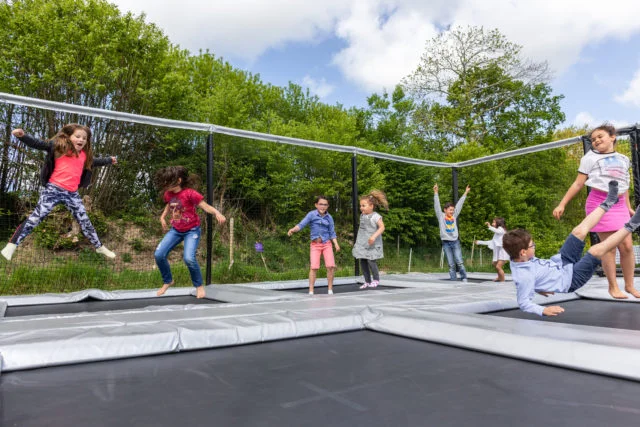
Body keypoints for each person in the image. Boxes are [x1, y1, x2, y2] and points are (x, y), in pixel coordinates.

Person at [504, 181, 640, 316]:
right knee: (596, 250)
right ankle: (632, 224)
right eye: (532, 246)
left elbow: (527, 281)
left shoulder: (516, 258)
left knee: (578, 231)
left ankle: (609, 201)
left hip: (561, 261)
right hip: (571, 279)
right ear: (522, 252)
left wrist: (536, 287)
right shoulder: (523, 277)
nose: (534, 247)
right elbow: (523, 302)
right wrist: (543, 310)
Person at [1, 125, 117, 261]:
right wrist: (22, 136)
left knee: (85, 222)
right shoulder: (59, 148)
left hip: (72, 194)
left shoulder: (85, 156)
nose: (81, 140)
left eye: (84, 138)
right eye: (78, 136)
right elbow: (39, 144)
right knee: (36, 218)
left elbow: (96, 162)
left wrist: (109, 160)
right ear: (69, 136)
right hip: (53, 190)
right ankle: (12, 245)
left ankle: (99, 247)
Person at [553, 124, 640, 299]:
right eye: (593, 139)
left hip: (619, 203)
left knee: (627, 246)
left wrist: (628, 206)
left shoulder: (623, 158)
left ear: (612, 137)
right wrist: (562, 204)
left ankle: (630, 285)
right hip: (600, 203)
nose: (596, 141)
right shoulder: (589, 158)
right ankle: (613, 287)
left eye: (600, 136)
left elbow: (624, 184)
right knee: (608, 248)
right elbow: (578, 184)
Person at [154, 166, 226, 299]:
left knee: (188, 258)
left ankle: (199, 286)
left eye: (168, 182)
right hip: (175, 230)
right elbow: (169, 205)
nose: (165, 185)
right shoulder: (168, 194)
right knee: (159, 254)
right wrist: (162, 217)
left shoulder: (190, 194)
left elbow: (205, 206)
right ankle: (168, 281)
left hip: (192, 230)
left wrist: (217, 213)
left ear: (178, 180)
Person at [288, 196, 340, 295]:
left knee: (330, 266)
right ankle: (311, 291)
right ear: (316, 205)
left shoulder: (329, 217)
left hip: (327, 244)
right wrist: (293, 229)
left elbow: (332, 232)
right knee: (314, 267)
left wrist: (336, 244)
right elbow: (301, 224)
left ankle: (330, 290)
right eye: (321, 204)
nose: (323, 206)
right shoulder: (311, 215)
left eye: (325, 205)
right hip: (315, 245)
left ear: (328, 206)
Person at [434, 183, 470, 282]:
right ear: (445, 210)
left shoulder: (454, 216)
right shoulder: (441, 216)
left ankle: (464, 277)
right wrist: (436, 193)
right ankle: (453, 279)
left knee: (459, 261)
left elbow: (460, 204)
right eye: (450, 210)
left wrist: (465, 193)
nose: (452, 211)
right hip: (446, 242)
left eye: (453, 210)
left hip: (455, 241)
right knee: (451, 264)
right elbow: (436, 206)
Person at [352, 190, 388, 289]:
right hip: (363, 242)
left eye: (363, 205)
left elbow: (382, 227)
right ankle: (367, 281)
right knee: (362, 261)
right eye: (360, 206)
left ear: (371, 206)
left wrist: (373, 236)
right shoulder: (362, 215)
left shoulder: (376, 216)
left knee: (371, 261)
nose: (361, 208)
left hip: (372, 243)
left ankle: (376, 279)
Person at [475, 217, 509, 282]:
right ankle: (499, 277)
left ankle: (503, 281)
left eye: (494, 222)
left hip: (503, 252)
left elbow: (497, 231)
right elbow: (491, 242)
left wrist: (489, 226)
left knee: (498, 267)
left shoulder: (502, 230)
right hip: (499, 251)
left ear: (498, 223)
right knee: (494, 264)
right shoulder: (497, 234)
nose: (493, 224)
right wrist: (479, 242)